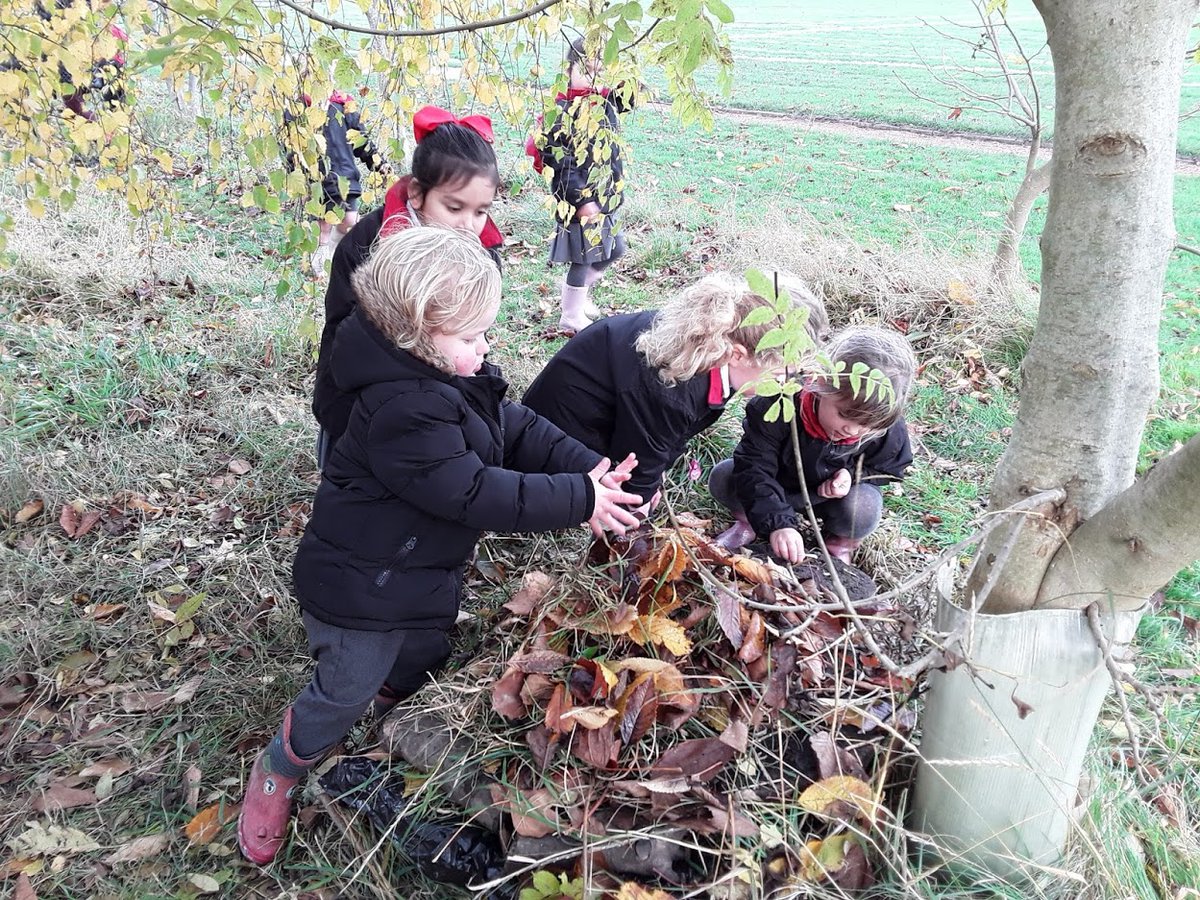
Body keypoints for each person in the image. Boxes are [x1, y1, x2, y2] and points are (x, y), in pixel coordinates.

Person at [238, 228, 643, 866]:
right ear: (419, 335)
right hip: (359, 590)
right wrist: (576, 500)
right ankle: (281, 766)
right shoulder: (402, 408)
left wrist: (586, 467)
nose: (487, 346)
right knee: (345, 685)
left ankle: (391, 710)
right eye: (472, 335)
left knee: (423, 654)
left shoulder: (452, 377)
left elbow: (514, 424)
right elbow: (474, 492)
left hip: (417, 572)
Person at [522, 272, 819, 515]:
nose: (789, 385)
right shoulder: (673, 388)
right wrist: (637, 502)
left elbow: (664, 432)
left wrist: (659, 469)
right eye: (783, 374)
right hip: (555, 450)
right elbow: (639, 454)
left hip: (601, 421)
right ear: (739, 355)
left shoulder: (709, 343)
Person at [313, 105, 504, 469]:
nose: (468, 224)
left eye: (481, 212)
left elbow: (469, 330)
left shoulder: (482, 250)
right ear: (417, 194)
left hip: (446, 389)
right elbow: (347, 334)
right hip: (370, 391)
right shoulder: (370, 245)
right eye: (454, 207)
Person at [708, 325, 916, 564]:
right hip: (778, 485)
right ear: (821, 382)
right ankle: (748, 522)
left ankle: (840, 544)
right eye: (845, 414)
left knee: (864, 507)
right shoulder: (780, 402)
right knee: (726, 477)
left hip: (831, 500)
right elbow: (755, 466)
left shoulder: (882, 425)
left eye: (867, 425)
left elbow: (888, 467)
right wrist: (778, 523)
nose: (853, 430)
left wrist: (851, 475)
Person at [536, 37, 637, 333]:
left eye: (599, 71)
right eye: (586, 70)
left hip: (605, 194)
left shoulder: (601, 100)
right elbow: (561, 164)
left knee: (615, 249)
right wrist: (581, 201)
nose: (593, 78)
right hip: (580, 200)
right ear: (568, 70)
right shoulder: (562, 111)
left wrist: (625, 76)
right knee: (584, 258)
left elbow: (629, 101)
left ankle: (576, 293)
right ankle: (570, 314)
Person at [283, 89, 389, 270]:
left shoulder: (343, 104)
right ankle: (319, 268)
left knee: (350, 221)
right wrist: (295, 174)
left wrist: (379, 164)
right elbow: (289, 146)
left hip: (346, 177)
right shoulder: (298, 109)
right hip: (317, 179)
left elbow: (361, 141)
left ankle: (336, 257)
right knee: (321, 225)